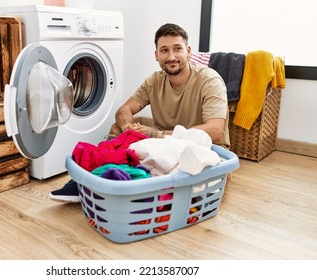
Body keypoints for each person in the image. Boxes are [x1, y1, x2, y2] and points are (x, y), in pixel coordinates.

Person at [49, 23, 230, 203]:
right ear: (156, 55)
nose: (171, 56)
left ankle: (109, 184)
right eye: (164, 50)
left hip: (201, 146)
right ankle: (95, 176)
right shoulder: (154, 80)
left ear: (188, 51)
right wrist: (128, 128)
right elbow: (124, 110)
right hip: (165, 142)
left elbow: (215, 130)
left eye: (177, 49)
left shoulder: (209, 80)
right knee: (118, 128)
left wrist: (158, 135)